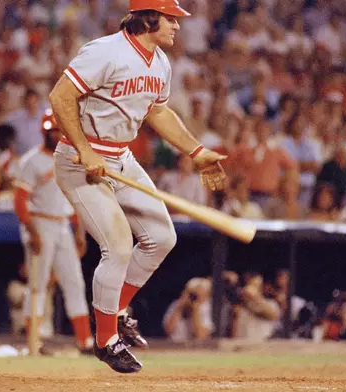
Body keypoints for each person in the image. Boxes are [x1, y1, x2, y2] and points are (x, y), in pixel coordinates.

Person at [49, 0, 227, 373]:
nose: (178, 25)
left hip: (120, 158)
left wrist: (195, 151)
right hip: (79, 160)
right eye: (171, 18)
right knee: (118, 247)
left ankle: (116, 309)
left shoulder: (160, 62)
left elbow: (158, 112)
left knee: (162, 238)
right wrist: (84, 149)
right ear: (148, 18)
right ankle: (106, 341)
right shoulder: (105, 51)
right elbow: (60, 97)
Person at [12, 110, 94, 355]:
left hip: (62, 225)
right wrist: (32, 232)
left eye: (58, 130)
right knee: (37, 286)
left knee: (75, 283)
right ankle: (33, 342)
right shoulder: (31, 161)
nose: (55, 134)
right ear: (43, 131)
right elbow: (19, 202)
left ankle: (85, 341)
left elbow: (74, 198)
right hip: (40, 224)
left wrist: (79, 231)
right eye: (51, 130)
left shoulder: (68, 159)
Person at [162, 277, 213, 343]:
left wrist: (195, 310)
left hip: (196, 348)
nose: (193, 297)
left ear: (206, 295)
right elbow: (168, 331)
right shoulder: (177, 305)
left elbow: (201, 335)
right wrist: (180, 308)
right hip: (174, 346)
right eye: (191, 294)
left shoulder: (208, 308)